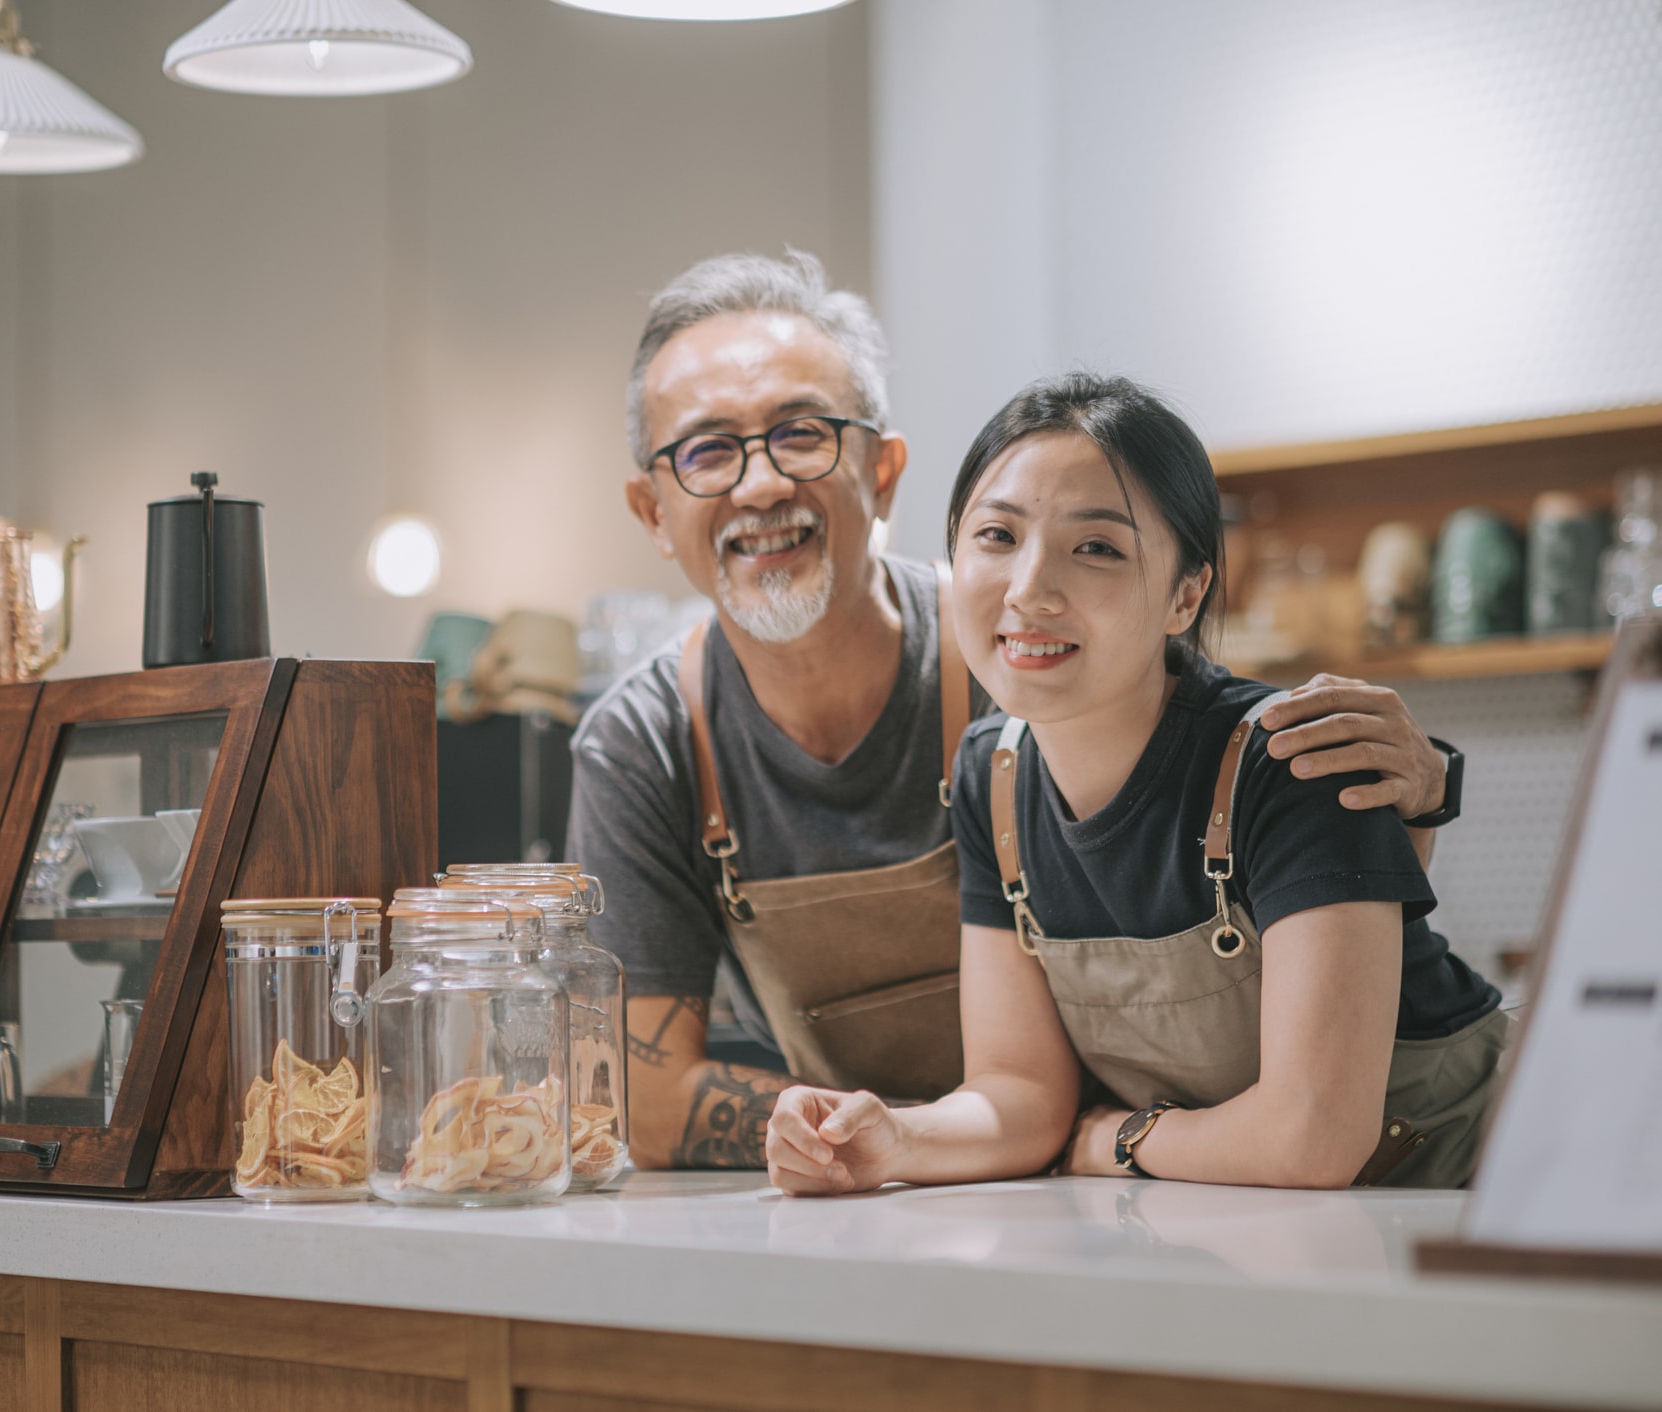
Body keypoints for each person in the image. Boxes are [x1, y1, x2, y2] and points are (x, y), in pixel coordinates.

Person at [566, 253, 1460, 1170]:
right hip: (1041, 1189)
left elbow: (1244, 835)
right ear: (650, 508)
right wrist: (893, 1141)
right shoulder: (668, 747)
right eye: (708, 450)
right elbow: (647, 1095)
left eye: (801, 434)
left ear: (882, 473)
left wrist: (1421, 798)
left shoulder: (1040, 662)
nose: (758, 485)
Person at [764, 373, 1506, 1194]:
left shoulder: (1292, 759)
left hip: (1487, 1199)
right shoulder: (993, 777)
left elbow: (1313, 1139)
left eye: (1096, 548)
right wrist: (891, 1140)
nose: (1028, 590)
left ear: (1185, 594)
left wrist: (1119, 1138)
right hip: (1256, 1230)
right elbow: (1019, 1092)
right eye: (996, 536)